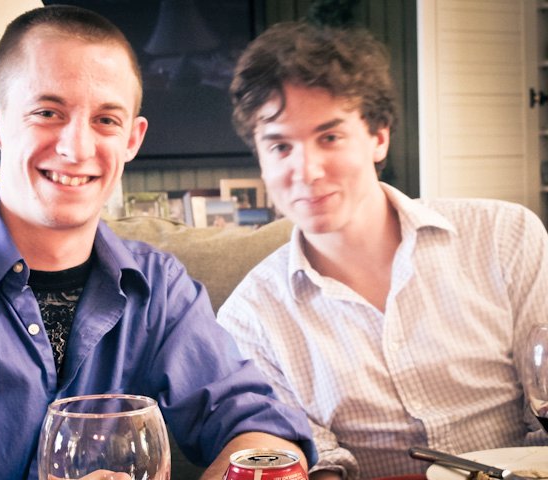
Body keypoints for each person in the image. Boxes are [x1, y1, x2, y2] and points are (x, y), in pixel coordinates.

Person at [0, 6, 318, 479]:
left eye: (106, 119)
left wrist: (254, 457)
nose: (77, 147)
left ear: (132, 139)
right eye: (47, 111)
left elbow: (261, 432)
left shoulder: (160, 288)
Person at [217, 21, 548, 480]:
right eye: (279, 146)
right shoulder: (249, 320)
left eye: (329, 137)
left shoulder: (506, 236)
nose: (306, 170)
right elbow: (318, 460)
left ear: (379, 136)